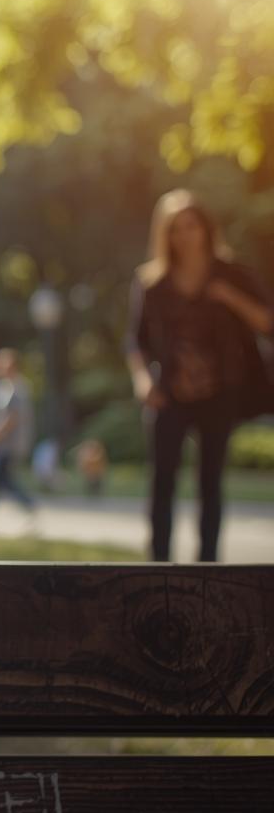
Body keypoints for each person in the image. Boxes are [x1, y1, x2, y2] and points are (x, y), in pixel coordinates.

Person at [127, 188, 274, 562]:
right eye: (175, 228)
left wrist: (228, 296)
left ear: (206, 229)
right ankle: (157, 567)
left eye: (191, 226)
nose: (184, 235)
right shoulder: (152, 282)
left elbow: (266, 322)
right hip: (169, 394)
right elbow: (135, 341)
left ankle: (208, 567)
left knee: (210, 481)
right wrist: (143, 381)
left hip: (220, 392)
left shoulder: (232, 273)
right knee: (162, 481)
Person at [0, 347, 36, 527]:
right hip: (1, 442)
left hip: (10, 443)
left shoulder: (17, 388)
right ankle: (27, 507)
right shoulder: (1, 387)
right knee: (2, 479)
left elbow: (12, 418)